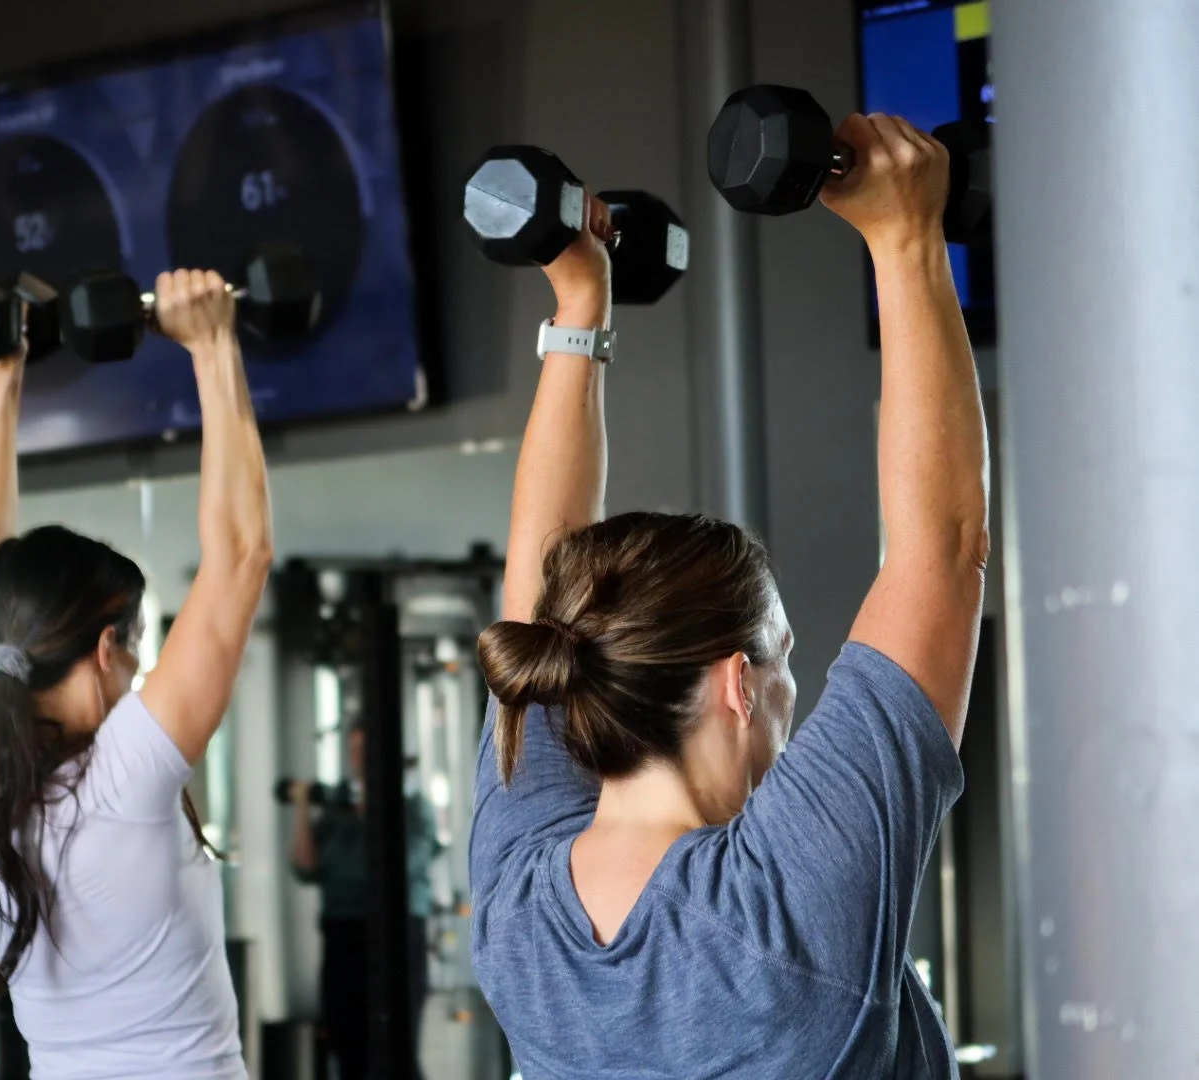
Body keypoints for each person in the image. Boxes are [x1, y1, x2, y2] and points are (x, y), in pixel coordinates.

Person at [469, 113, 986, 1078]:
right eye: (786, 657)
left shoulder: (517, 904)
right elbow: (941, 554)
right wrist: (906, 236)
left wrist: (581, 302)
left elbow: (539, 595)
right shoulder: (785, 898)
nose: (792, 691)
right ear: (737, 683)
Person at [0, 268, 273, 1079]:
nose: (143, 668)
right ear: (104, 648)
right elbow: (239, 556)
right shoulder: (123, 775)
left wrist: (4, 376)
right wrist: (214, 344)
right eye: (137, 644)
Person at [288, 721, 442, 1080]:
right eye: (353, 750)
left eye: (366, 748)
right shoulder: (336, 813)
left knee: (398, 1048)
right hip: (343, 937)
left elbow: (399, 867)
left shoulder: (414, 810)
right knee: (348, 1050)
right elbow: (304, 867)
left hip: (399, 935)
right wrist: (301, 808)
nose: (359, 758)